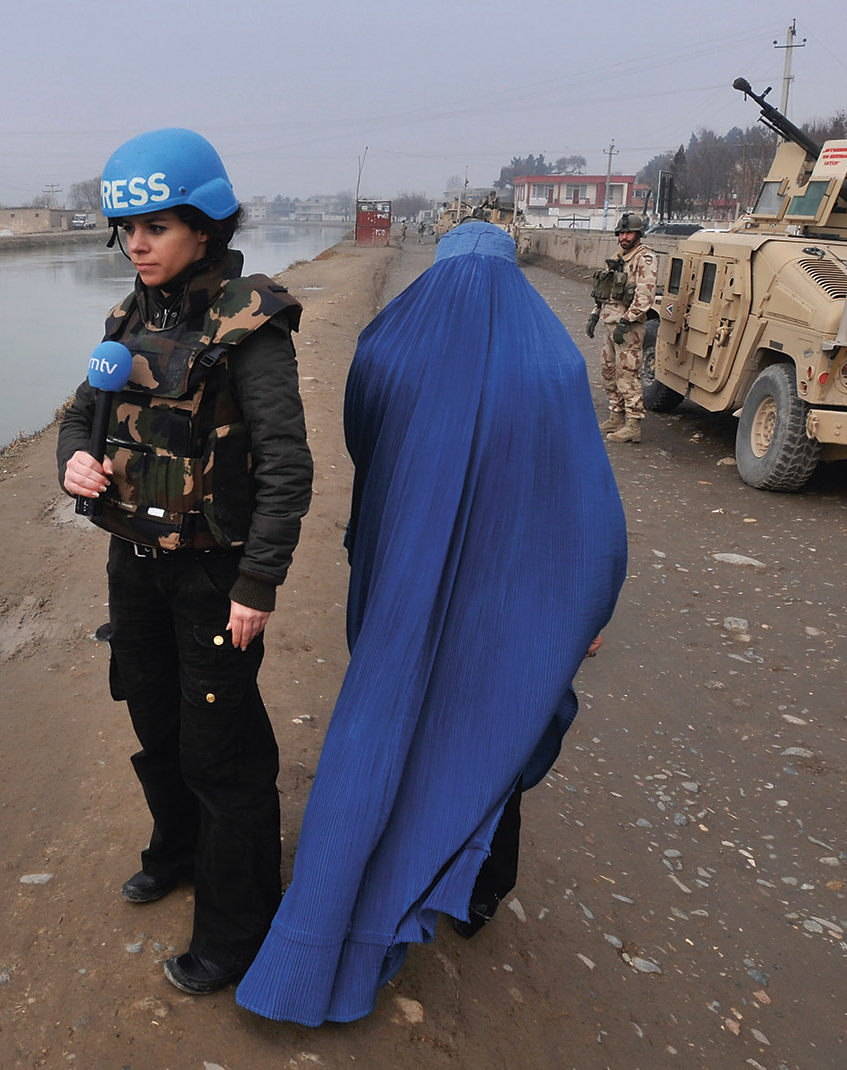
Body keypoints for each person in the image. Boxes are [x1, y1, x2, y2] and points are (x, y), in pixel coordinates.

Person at [236, 220, 626, 1026]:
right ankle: (475, 894)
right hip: (511, 596)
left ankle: (333, 914)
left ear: (440, 268)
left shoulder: (388, 347)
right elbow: (588, 504)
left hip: (403, 571)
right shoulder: (553, 362)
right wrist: (590, 604)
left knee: (388, 718)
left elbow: (365, 448)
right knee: (492, 727)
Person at [56, 127, 313, 996]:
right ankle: (174, 853)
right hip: (134, 564)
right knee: (154, 723)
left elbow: (286, 468)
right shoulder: (126, 317)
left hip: (215, 576)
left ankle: (237, 934)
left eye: (157, 227)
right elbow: (74, 416)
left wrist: (258, 583)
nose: (137, 244)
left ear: (203, 225)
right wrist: (74, 461)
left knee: (221, 752)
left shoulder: (252, 322)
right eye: (127, 229)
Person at [587, 211, 658, 443]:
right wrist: (594, 315)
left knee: (628, 374)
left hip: (627, 327)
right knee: (608, 371)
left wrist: (627, 320)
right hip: (610, 321)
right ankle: (616, 416)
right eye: (622, 233)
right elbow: (606, 290)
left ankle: (633, 425)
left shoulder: (644, 258)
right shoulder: (619, 256)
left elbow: (645, 295)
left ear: (638, 235)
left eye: (629, 233)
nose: (625, 237)